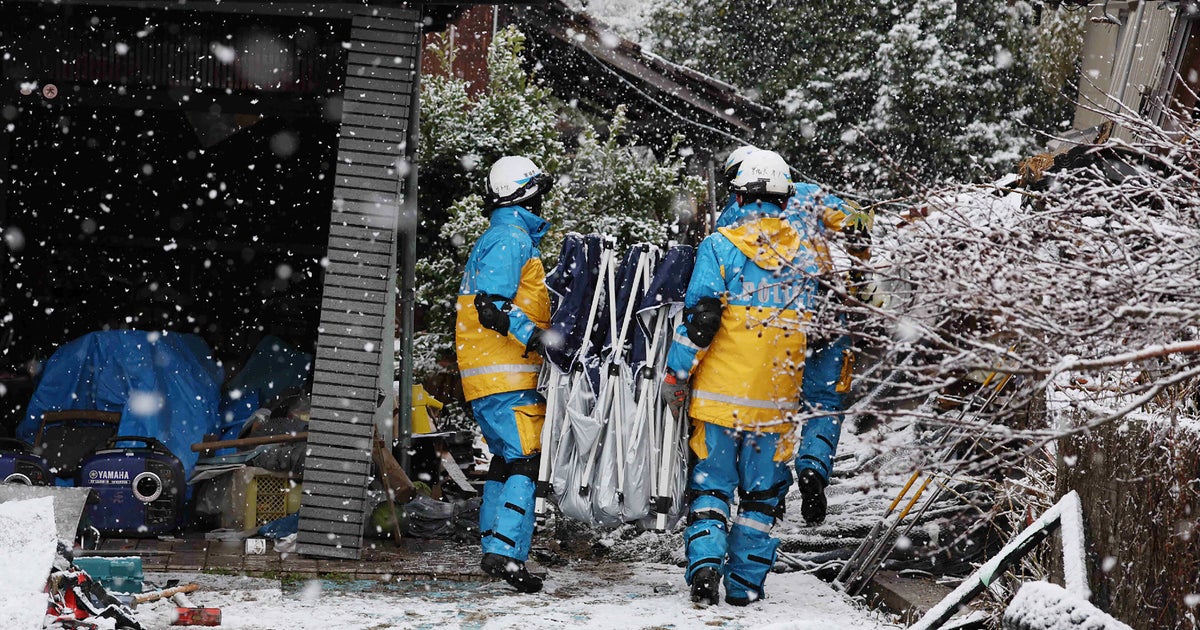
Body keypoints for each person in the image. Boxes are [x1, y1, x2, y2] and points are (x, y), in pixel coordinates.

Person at [659, 150, 849, 606]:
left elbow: (701, 321)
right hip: (775, 407)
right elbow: (820, 338)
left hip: (719, 401)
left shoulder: (719, 247)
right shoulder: (808, 262)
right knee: (762, 500)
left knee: (710, 489)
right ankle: (744, 586)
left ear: (739, 196)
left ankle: (705, 569)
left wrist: (676, 372)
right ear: (786, 200)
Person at [718, 146, 871, 525]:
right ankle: (814, 468)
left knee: (773, 407)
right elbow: (859, 222)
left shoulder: (734, 214)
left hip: (772, 322)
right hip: (825, 314)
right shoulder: (810, 195)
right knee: (824, 403)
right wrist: (858, 276)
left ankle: (771, 484)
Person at [455, 155, 554, 593]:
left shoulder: (498, 236)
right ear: (528, 194)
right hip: (508, 375)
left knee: (504, 460)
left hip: (487, 376)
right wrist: (539, 338)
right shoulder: (511, 238)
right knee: (524, 461)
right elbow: (492, 307)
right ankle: (507, 555)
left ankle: (494, 548)